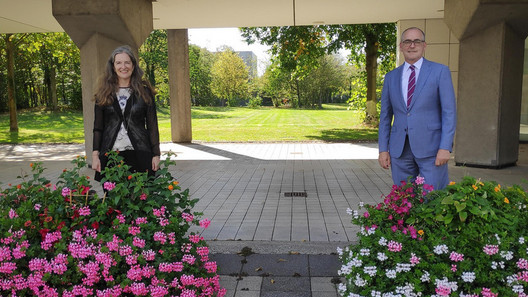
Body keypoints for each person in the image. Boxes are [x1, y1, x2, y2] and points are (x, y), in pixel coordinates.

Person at [378, 27, 456, 190]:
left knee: (432, 199)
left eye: (416, 41)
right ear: (401, 46)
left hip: (432, 150)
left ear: (424, 45)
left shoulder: (440, 71)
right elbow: (385, 116)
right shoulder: (391, 77)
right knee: (403, 201)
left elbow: (449, 113)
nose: (412, 45)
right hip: (399, 151)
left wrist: (445, 147)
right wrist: (383, 149)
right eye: (407, 41)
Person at [92, 45, 160, 182]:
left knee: (141, 199)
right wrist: (95, 156)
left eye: (127, 62)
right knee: (113, 201)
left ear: (133, 65)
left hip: (140, 153)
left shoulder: (144, 92)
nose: (123, 66)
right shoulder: (103, 94)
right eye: (119, 62)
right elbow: (98, 128)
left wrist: (156, 154)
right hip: (112, 155)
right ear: (113, 66)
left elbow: (152, 126)